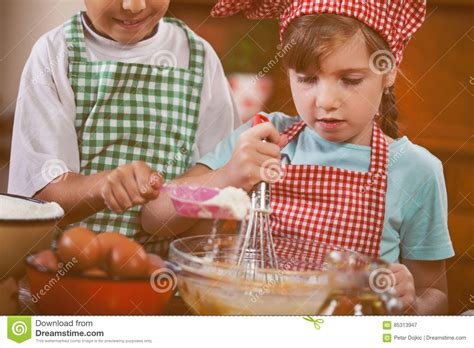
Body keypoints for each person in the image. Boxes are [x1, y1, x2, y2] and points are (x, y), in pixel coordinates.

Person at [142, 1, 454, 314]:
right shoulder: (262, 135)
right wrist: (227, 176)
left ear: (388, 72)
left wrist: (409, 303)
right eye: (307, 78)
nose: (326, 101)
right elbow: (155, 218)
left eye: (351, 80)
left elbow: (435, 294)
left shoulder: (415, 170)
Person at [8, 0, 239, 254]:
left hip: (166, 274)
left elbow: (219, 173)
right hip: (65, 273)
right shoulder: (56, 53)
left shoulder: (199, 57)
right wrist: (104, 185)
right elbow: (39, 196)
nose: (133, 6)